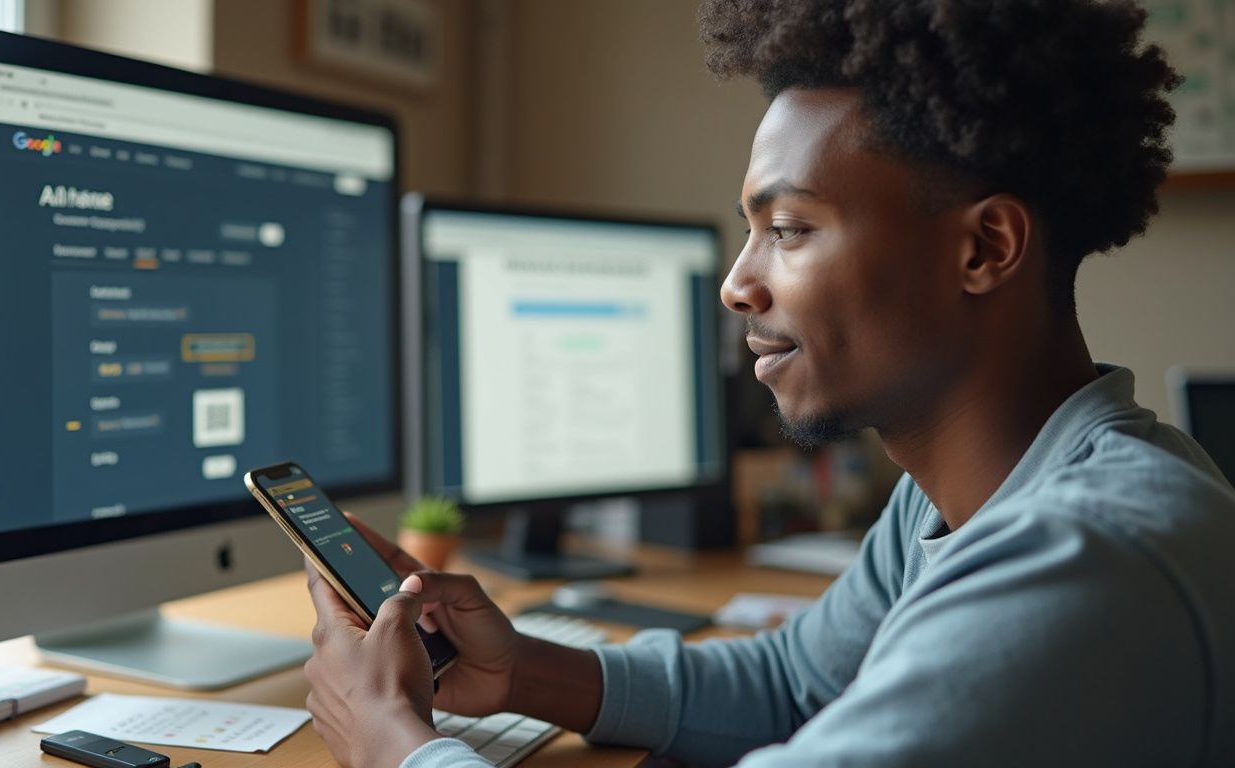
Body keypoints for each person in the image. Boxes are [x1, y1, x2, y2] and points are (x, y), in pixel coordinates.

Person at [300, 1, 1235, 766]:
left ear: (984, 248)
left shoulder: (1084, 560)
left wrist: (393, 744)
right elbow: (799, 685)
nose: (736, 283)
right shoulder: (954, 504)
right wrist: (519, 673)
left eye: (788, 228)